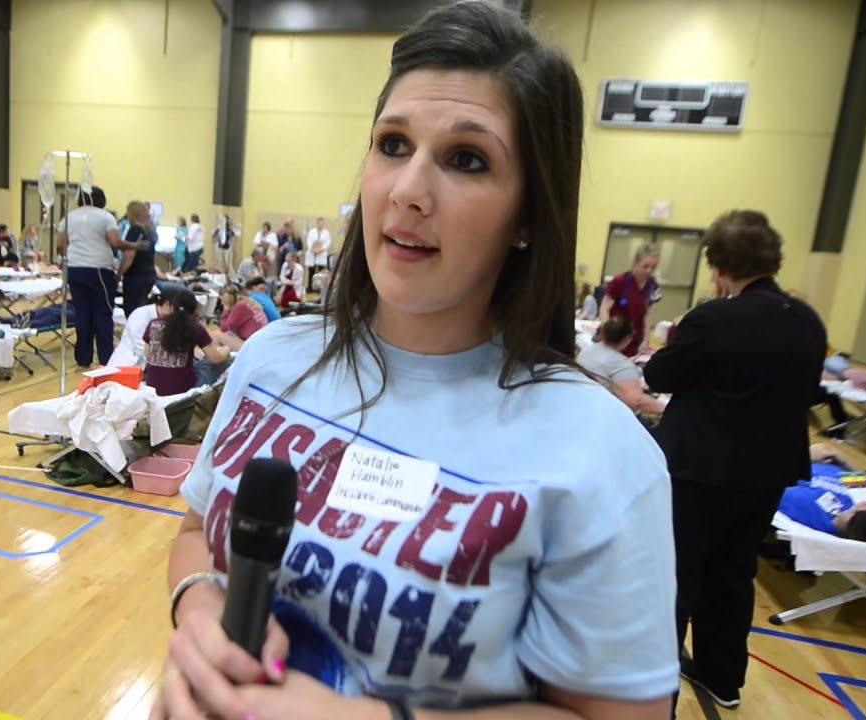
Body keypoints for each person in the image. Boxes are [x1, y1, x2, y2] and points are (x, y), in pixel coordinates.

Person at [153, 4, 677, 720]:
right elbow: (195, 535)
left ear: (529, 215)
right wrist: (200, 607)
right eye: (392, 144)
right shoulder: (271, 361)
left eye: (467, 159)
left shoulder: (600, 450)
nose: (407, 191)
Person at [642, 210, 827, 712]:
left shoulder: (714, 317)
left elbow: (661, 374)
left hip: (700, 468)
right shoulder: (807, 320)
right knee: (733, 571)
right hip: (767, 469)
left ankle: (658, 692)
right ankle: (724, 677)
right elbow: (810, 390)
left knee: (678, 572)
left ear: (719, 266)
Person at [58, 185, 150, 367]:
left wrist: (72, 257)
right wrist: (135, 246)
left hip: (75, 269)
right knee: (102, 313)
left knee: (82, 312)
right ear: (102, 200)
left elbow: (60, 245)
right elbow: (115, 242)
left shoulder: (69, 217)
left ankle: (83, 358)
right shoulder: (105, 216)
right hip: (99, 269)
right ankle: (106, 357)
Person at [779, 476, 866, 548]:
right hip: (831, 464)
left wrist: (810, 455)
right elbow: (855, 475)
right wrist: (840, 458)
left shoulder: (805, 511)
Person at [142, 289, 230, 396]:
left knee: (195, 360)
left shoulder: (153, 324)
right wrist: (226, 349)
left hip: (153, 384)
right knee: (223, 360)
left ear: (172, 306)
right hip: (183, 388)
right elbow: (216, 358)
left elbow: (147, 354)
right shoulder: (194, 327)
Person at [579, 316, 666, 415]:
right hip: (606, 413)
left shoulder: (586, 351)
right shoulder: (621, 364)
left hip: (586, 403)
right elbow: (637, 401)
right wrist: (666, 408)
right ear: (628, 338)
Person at [599, 244, 661, 357]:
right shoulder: (620, 281)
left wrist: (646, 339)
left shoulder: (653, 285)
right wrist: (607, 334)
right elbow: (604, 308)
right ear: (635, 263)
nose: (649, 271)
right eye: (645, 266)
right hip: (614, 337)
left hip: (633, 340)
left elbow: (647, 314)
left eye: (653, 267)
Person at [121, 201, 160, 318]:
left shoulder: (135, 229)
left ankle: (133, 335)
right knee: (140, 310)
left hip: (135, 276)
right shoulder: (151, 231)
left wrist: (118, 274)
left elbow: (129, 255)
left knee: (131, 311)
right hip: (149, 274)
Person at [214, 284, 268, 351]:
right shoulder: (246, 302)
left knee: (216, 335)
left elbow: (224, 327)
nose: (221, 303)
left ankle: (219, 359)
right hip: (258, 341)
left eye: (222, 300)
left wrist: (226, 309)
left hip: (252, 346)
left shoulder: (240, 306)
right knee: (227, 334)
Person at [304, 217, 331, 291]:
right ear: (317, 223)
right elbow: (308, 241)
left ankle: (319, 289)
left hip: (321, 253)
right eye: (319, 223)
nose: (320, 225)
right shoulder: (312, 232)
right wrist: (312, 249)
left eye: (322, 223)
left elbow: (328, 243)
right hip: (312, 253)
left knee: (320, 273)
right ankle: (310, 287)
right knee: (311, 272)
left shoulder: (326, 232)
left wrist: (320, 249)